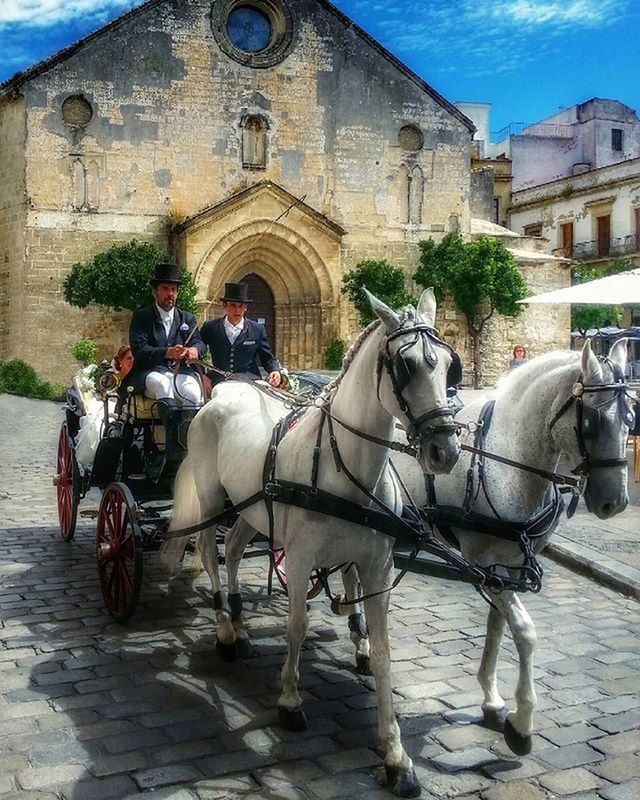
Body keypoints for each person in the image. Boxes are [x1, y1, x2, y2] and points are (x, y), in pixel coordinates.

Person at [128, 263, 206, 405]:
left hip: (180, 372)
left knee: (193, 393)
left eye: (174, 289)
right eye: (165, 289)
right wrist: (167, 352)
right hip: (149, 372)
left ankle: (185, 427)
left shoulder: (187, 318)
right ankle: (171, 428)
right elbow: (139, 349)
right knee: (163, 385)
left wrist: (194, 350)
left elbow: (199, 343)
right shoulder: (142, 317)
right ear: (154, 292)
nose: (170, 293)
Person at [201, 282, 282, 388]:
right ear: (224, 306)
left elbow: (267, 358)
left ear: (246, 307)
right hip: (220, 381)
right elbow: (196, 350)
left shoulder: (257, 329)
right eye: (233, 306)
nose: (237, 310)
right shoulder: (211, 327)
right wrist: (202, 375)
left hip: (250, 381)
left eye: (241, 306)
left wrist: (275, 370)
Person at [74, 345, 135, 469]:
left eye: (135, 359)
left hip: (130, 409)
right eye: (129, 358)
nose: (132, 362)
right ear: (120, 361)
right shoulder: (111, 378)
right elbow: (104, 394)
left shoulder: (138, 378)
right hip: (112, 407)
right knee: (99, 426)